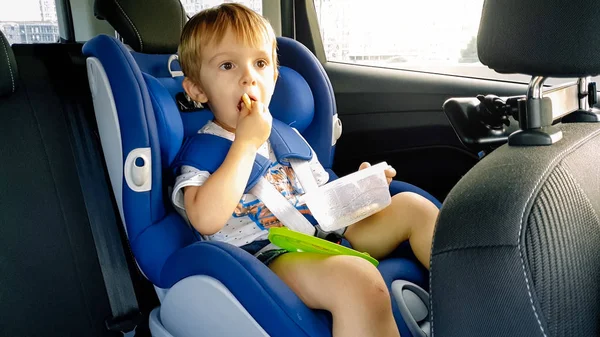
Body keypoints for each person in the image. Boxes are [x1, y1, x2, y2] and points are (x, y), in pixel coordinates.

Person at [171, 3, 439, 337]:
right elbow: (205, 219)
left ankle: (479, 306)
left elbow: (323, 199)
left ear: (274, 76)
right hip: (268, 258)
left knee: (414, 207)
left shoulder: (288, 136)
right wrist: (245, 144)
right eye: (228, 65)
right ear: (197, 90)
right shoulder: (203, 151)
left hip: (325, 232)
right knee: (358, 281)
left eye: (260, 63)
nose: (248, 77)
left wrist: (360, 190)